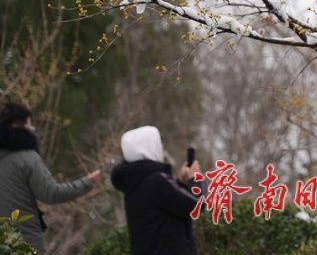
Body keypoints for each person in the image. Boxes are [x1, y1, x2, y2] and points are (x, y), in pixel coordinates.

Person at [0, 102, 103, 253]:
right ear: (17, 125)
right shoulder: (28, 159)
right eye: (30, 125)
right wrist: (87, 182)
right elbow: (51, 193)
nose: (32, 130)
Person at [111, 126, 201, 255]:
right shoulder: (157, 181)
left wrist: (182, 183)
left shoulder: (134, 182)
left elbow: (168, 207)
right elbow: (196, 205)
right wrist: (195, 179)